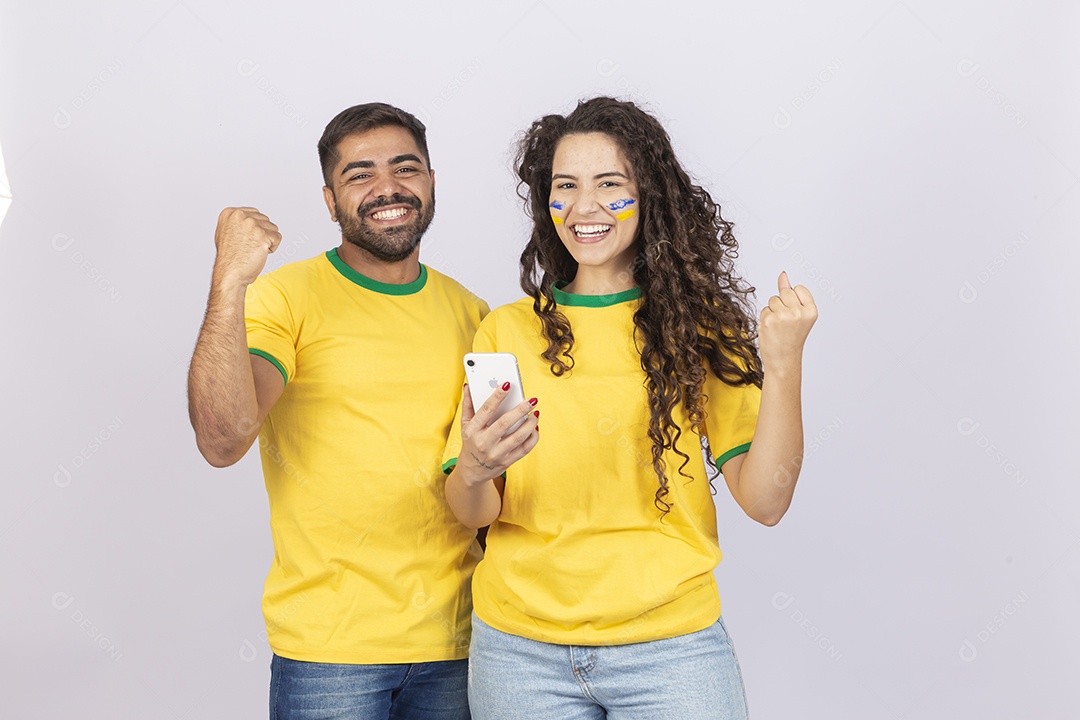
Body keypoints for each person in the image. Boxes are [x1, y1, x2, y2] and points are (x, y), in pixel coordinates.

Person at [442, 97, 817, 719]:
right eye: (566, 186)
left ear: (649, 197)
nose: (585, 208)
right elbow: (470, 510)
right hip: (519, 654)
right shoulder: (504, 332)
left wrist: (783, 365)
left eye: (609, 185)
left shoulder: (698, 328)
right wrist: (476, 469)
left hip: (672, 650)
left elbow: (767, 501)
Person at [187, 102, 496, 719]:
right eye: (360, 174)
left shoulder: (474, 314)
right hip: (331, 652)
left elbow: (492, 479)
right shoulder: (284, 298)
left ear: (431, 183)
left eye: (405, 167)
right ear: (329, 200)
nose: (388, 187)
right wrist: (228, 282)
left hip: (464, 645)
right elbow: (222, 441)